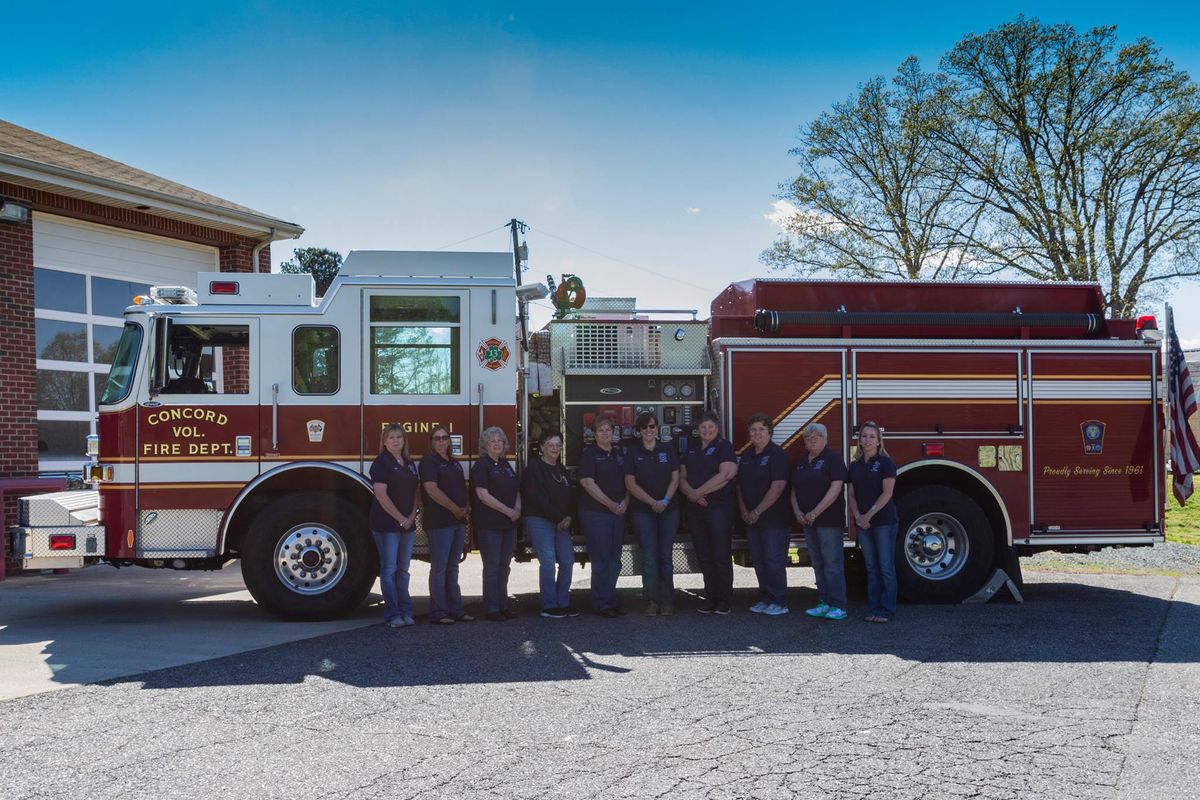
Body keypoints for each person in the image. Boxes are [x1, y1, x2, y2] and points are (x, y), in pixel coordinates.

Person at [679, 411, 737, 614]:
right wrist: (692, 495)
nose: (706, 430)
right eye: (703, 427)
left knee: (721, 555)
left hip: (718, 509)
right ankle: (709, 598)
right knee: (704, 556)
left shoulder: (724, 447)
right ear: (698, 429)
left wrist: (697, 493)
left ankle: (724, 601)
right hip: (696, 510)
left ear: (717, 428)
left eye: (710, 427)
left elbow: (726, 474)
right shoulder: (692, 449)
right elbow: (681, 476)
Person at [789, 422, 849, 622]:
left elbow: (835, 489)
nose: (812, 439)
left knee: (832, 564)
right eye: (808, 437)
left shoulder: (833, 459)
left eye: (817, 436)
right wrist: (798, 511)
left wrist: (815, 513)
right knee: (818, 563)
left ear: (825, 439)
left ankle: (838, 605)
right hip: (808, 522)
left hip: (829, 521)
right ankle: (824, 602)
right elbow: (794, 489)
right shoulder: (801, 461)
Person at [624, 412, 680, 616]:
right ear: (639, 431)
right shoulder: (632, 452)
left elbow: (676, 478)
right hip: (642, 511)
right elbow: (630, 483)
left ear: (657, 429)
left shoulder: (667, 449)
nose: (649, 430)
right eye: (645, 427)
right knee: (649, 557)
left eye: (652, 426)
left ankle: (667, 602)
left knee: (665, 556)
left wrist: (664, 501)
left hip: (668, 510)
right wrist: (651, 502)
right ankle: (651, 601)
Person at [737, 413, 791, 616]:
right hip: (752, 520)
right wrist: (744, 511)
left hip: (773, 520)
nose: (757, 433)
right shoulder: (747, 456)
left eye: (761, 429)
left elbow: (777, 487)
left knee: (773, 560)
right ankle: (766, 598)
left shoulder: (777, 454)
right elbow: (739, 486)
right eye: (753, 430)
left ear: (769, 431)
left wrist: (757, 511)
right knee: (759, 561)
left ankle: (780, 601)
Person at [419, 425, 474, 625]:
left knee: (453, 568)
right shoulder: (429, 462)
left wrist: (466, 506)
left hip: (458, 521)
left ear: (449, 441)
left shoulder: (454, 463)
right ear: (431, 442)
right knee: (440, 568)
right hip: (440, 523)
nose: (441, 441)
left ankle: (456, 610)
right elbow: (431, 490)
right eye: (437, 438)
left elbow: (461, 488)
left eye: (444, 438)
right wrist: (454, 509)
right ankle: (439, 612)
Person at [522, 430, 578, 619]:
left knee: (568, 561)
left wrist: (569, 516)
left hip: (561, 522)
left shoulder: (561, 469)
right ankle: (549, 605)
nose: (555, 448)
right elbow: (537, 498)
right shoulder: (534, 468)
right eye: (550, 445)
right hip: (539, 520)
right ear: (542, 448)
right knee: (547, 562)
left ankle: (563, 603)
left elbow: (570, 496)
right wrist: (558, 518)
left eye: (558, 445)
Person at [368, 423, 420, 627]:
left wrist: (411, 516)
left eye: (399, 437)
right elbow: (381, 496)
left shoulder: (408, 462)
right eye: (391, 437)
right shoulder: (381, 463)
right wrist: (400, 518)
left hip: (407, 524)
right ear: (384, 441)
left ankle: (406, 611)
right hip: (387, 525)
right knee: (389, 570)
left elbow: (415, 493)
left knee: (403, 570)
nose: (396, 440)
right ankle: (393, 614)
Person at [848, 421, 899, 623]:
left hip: (884, 522)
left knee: (885, 566)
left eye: (871, 436)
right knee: (871, 567)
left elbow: (887, 493)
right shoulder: (855, 466)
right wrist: (858, 516)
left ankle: (886, 610)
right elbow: (851, 494)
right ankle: (874, 608)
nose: (867, 440)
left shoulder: (886, 463)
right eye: (864, 436)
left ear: (878, 441)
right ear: (859, 441)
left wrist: (868, 516)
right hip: (863, 524)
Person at [577, 414, 628, 617]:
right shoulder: (589, 455)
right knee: (601, 560)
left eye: (608, 429)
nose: (605, 433)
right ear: (594, 434)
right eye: (601, 430)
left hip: (618, 513)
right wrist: (611, 504)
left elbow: (629, 481)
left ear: (613, 432)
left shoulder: (619, 454)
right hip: (596, 514)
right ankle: (602, 603)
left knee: (615, 559)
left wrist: (625, 502)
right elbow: (588, 483)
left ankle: (611, 599)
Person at [471, 426, 521, 621]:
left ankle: (503, 605)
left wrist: (517, 508)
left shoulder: (505, 464)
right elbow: (483, 495)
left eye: (500, 440)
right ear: (485, 445)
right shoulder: (482, 466)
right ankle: (492, 609)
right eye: (493, 441)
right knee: (492, 567)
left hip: (508, 523)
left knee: (504, 566)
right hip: (490, 524)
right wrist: (509, 511)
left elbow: (516, 488)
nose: (497, 443)